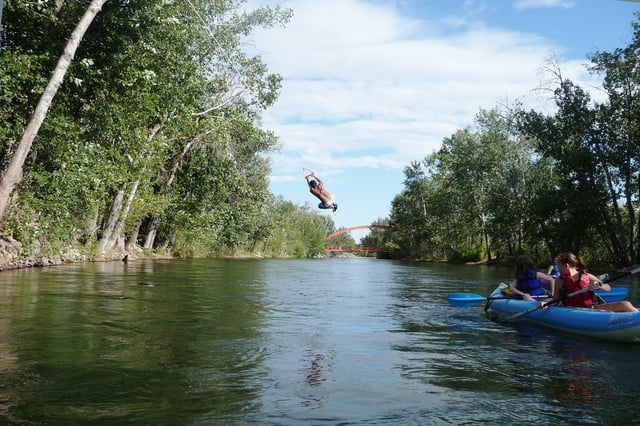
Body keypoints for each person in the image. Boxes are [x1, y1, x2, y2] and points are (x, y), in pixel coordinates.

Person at [550, 252, 637, 312]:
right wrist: (545, 303)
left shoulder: (587, 276)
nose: (558, 268)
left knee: (626, 304)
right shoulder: (560, 280)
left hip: (592, 307)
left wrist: (599, 285)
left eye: (559, 266)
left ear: (566, 266)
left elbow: (608, 288)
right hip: (574, 310)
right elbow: (555, 300)